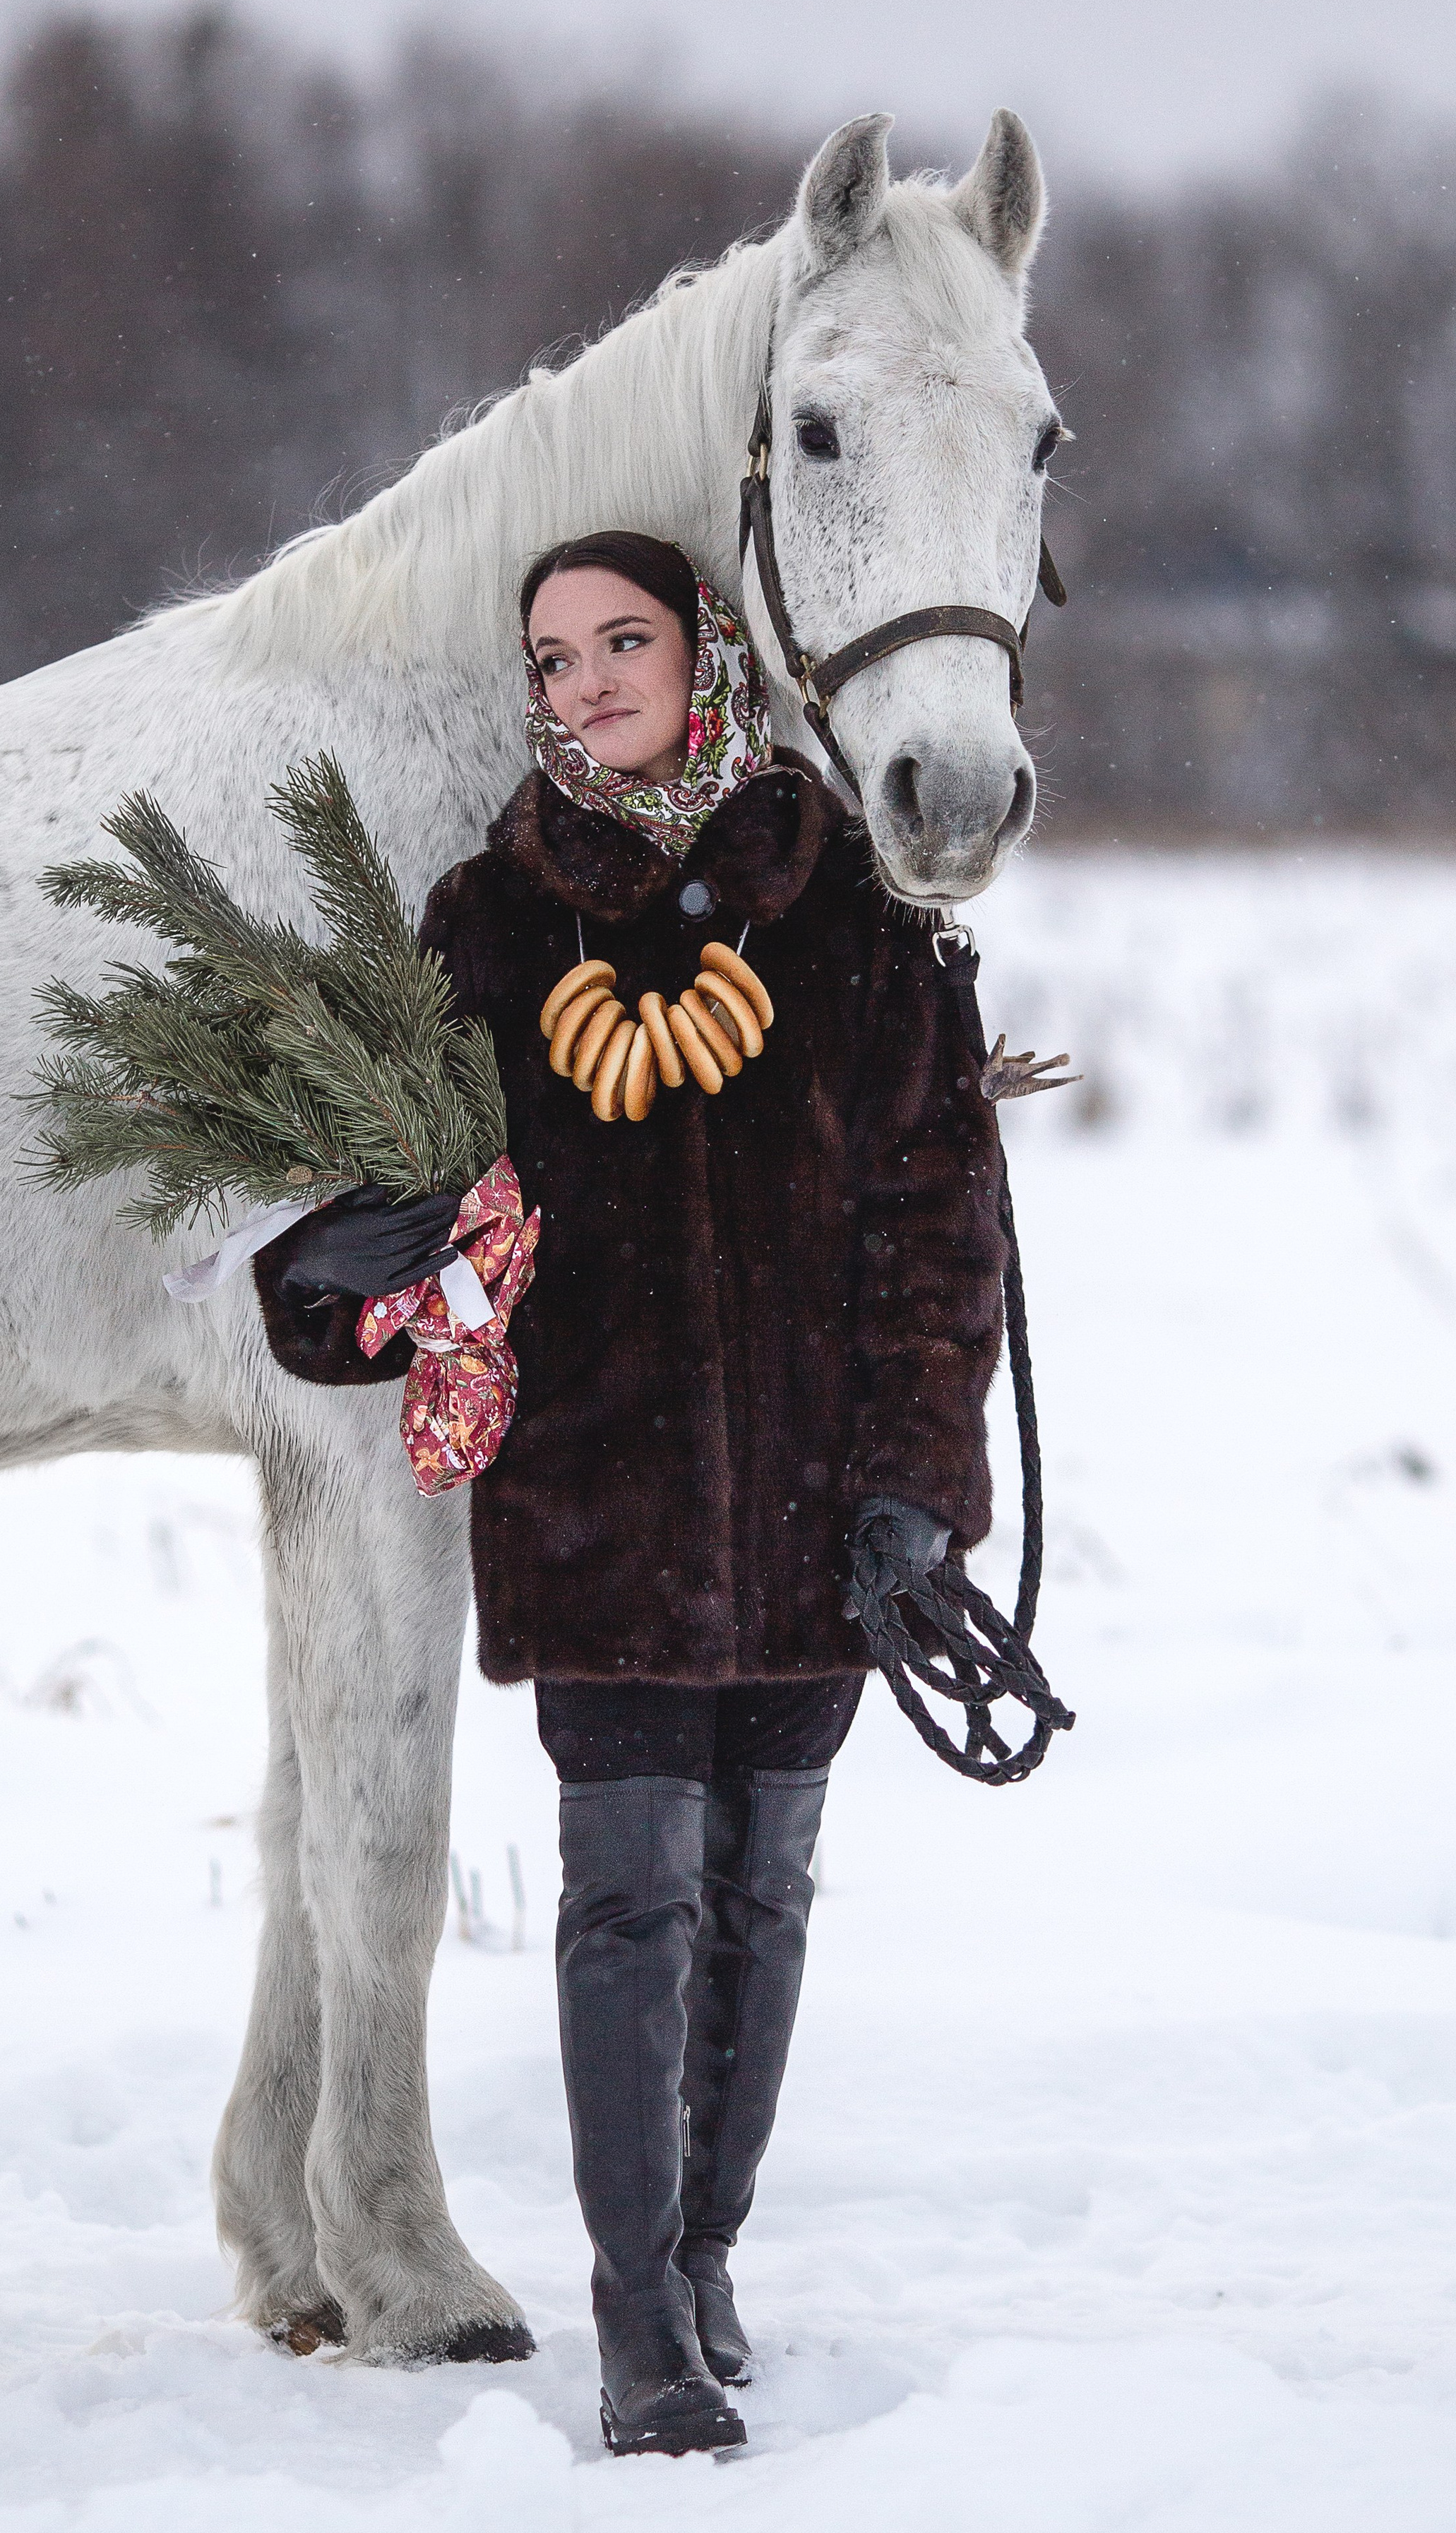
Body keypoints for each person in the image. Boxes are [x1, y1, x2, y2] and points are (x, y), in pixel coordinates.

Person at [253, 532, 1005, 2457]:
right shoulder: (484, 934)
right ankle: (638, 2310)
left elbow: (944, 1228)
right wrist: (347, 1277)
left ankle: (713, 2243)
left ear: (706, 660)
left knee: (764, 1892)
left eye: (622, 643)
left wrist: (922, 1481)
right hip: (600, 1508)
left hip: (825, 1508)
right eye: (553, 656)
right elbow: (372, 1243)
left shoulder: (850, 914)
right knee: (634, 1895)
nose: (584, 679)